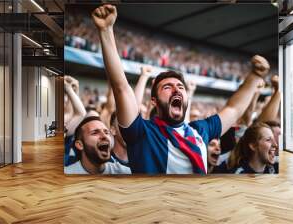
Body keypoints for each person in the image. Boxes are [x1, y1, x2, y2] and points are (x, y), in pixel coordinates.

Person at [91, 4, 269, 174]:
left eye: (180, 87)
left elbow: (234, 109)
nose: (176, 90)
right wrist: (106, 31)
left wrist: (254, 77)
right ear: (153, 100)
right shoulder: (142, 132)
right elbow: (121, 87)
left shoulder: (201, 130)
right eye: (167, 87)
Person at [65, 116, 131, 174]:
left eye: (106, 132)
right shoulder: (66, 175)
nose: (104, 136)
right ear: (80, 145)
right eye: (95, 133)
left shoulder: (124, 172)